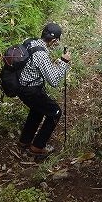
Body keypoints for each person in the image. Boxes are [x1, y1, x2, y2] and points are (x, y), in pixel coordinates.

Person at [17, 22, 71, 157]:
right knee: (55, 112)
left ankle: (24, 141)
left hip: (21, 86)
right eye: (57, 41)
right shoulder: (41, 54)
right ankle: (37, 147)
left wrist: (54, 64)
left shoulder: (30, 42)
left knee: (37, 110)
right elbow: (53, 81)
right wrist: (64, 62)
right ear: (54, 40)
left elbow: (32, 65)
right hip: (31, 90)